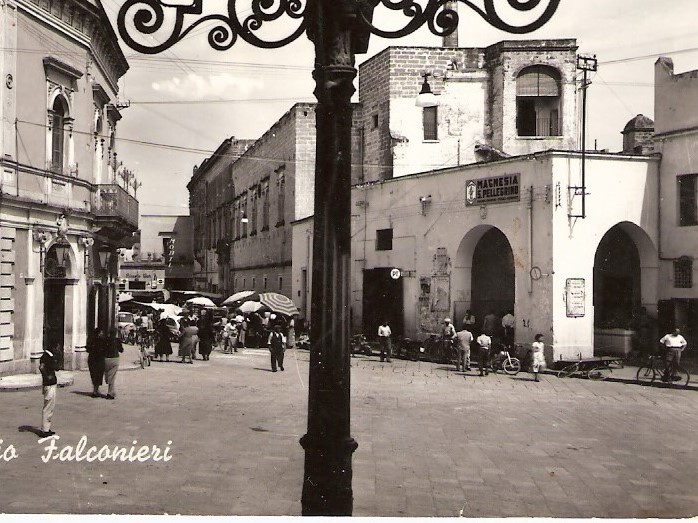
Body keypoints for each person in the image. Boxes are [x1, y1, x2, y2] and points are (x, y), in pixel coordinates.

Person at [39, 344, 61, 437]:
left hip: (50, 384)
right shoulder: (47, 356)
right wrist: (47, 376)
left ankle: (46, 428)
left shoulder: (49, 356)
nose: (58, 349)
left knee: (50, 406)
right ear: (53, 347)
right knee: (48, 406)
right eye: (57, 347)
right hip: (49, 384)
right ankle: (44, 430)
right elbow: (42, 367)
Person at [103, 329, 124, 400]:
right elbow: (121, 350)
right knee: (112, 376)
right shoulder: (117, 340)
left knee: (108, 374)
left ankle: (111, 391)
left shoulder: (106, 340)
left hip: (106, 359)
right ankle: (110, 393)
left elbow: (103, 349)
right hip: (115, 359)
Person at [87, 329, 106, 397]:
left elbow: (87, 349)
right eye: (101, 332)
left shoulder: (91, 340)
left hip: (92, 359)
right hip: (99, 360)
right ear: (98, 333)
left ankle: (95, 390)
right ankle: (95, 390)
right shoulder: (102, 341)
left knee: (94, 375)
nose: (102, 334)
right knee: (98, 375)